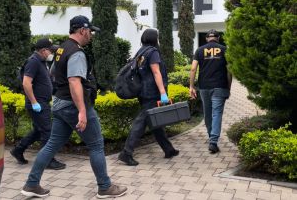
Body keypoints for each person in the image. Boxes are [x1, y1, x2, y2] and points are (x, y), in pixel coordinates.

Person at [21, 15, 127, 198]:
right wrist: (82, 111)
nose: (91, 35)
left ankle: (31, 184)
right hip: (72, 105)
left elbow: (54, 74)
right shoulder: (76, 52)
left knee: (51, 144)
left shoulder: (62, 48)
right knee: (96, 145)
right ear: (82, 30)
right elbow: (74, 81)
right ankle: (105, 187)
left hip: (60, 103)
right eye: (90, 31)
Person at [118, 28, 179, 166]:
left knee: (154, 121)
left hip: (142, 91)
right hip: (151, 92)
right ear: (154, 38)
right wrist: (163, 93)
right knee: (141, 122)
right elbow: (156, 73)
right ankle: (126, 153)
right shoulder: (153, 52)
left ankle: (168, 149)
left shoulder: (141, 52)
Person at [10, 38, 66, 170]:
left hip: (42, 102)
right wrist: (34, 102)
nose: (51, 53)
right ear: (43, 50)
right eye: (50, 50)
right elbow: (26, 83)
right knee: (47, 131)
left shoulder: (41, 61)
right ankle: (47, 160)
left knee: (38, 131)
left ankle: (18, 150)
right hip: (38, 104)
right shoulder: (34, 62)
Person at [189, 29, 232, 153]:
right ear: (218, 38)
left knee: (207, 113)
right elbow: (229, 71)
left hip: (204, 86)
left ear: (207, 38)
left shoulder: (199, 50)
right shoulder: (224, 50)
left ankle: (211, 137)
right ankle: (213, 142)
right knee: (216, 113)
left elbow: (193, 69)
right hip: (220, 86)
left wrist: (191, 86)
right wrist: (228, 87)